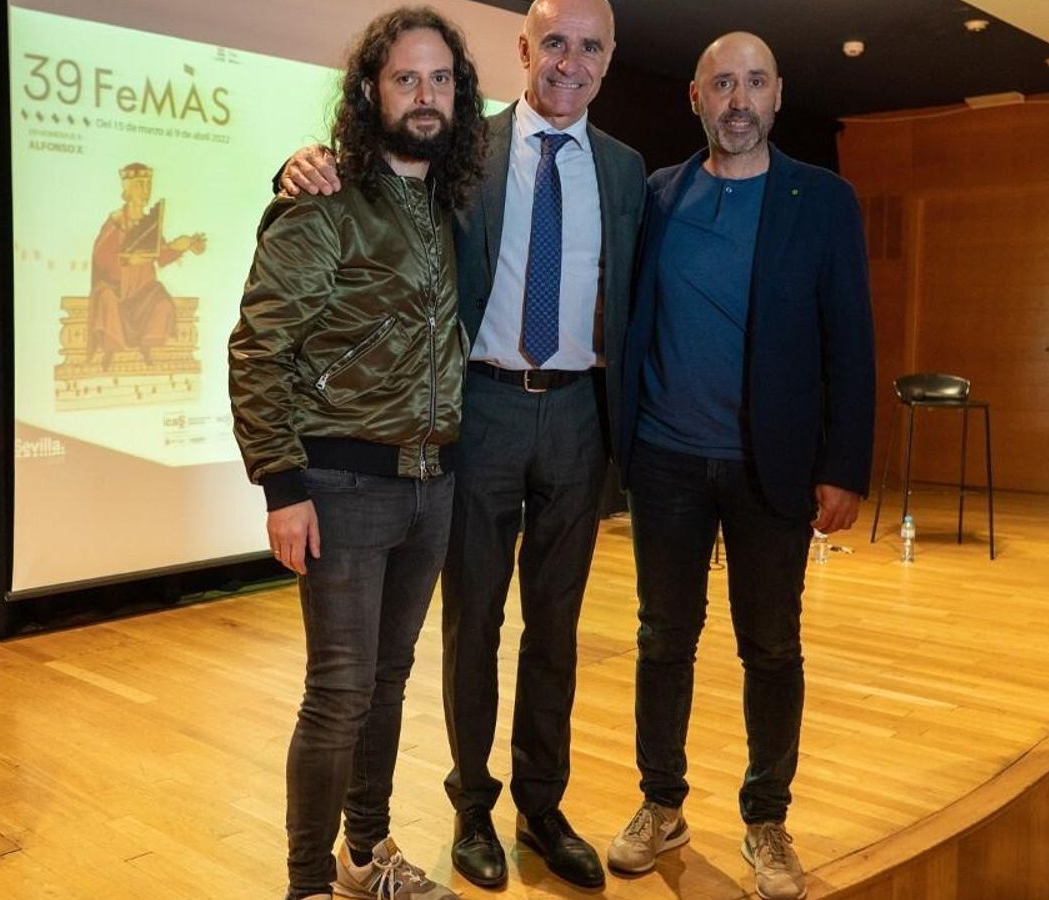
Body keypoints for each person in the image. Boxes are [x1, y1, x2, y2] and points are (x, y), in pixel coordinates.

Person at [280, 0, 645, 889]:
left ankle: (542, 805)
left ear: (608, 59)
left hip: (579, 419)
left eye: (590, 46)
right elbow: (372, 173)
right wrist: (297, 165)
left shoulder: (629, 171)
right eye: (553, 42)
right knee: (471, 622)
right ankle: (472, 806)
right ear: (522, 49)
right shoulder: (462, 149)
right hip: (476, 411)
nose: (570, 61)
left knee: (555, 625)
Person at [606, 32, 876, 900]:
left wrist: (845, 465)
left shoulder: (824, 200)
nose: (738, 100)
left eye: (754, 82)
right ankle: (661, 803)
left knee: (771, 646)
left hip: (775, 468)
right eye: (722, 84)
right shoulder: (656, 197)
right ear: (696, 98)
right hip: (667, 460)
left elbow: (852, 344)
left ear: (778, 95)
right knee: (662, 639)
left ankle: (767, 819)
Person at [227, 8, 487, 899]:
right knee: (338, 694)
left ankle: (364, 859)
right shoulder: (325, 199)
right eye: (406, 79)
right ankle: (305, 885)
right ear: (371, 90)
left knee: (387, 682)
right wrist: (281, 485)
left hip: (433, 482)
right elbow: (259, 347)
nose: (425, 96)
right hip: (340, 485)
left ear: (459, 93)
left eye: (441, 79)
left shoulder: (446, 201)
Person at [89, 162, 206, 365]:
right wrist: (126, 260)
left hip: (143, 289)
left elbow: (160, 255)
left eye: (148, 185)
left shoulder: (149, 223)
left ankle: (147, 347)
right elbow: (101, 257)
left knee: (162, 302)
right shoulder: (116, 221)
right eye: (140, 185)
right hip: (118, 289)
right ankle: (111, 352)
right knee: (106, 299)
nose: (145, 191)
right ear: (128, 188)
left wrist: (184, 245)